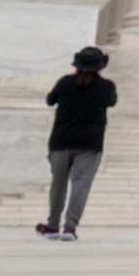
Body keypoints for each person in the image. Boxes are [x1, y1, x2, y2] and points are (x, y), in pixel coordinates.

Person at [39, 46, 115, 241]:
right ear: (100, 66)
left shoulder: (65, 82)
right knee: (81, 185)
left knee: (58, 184)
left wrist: (74, 76)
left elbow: (50, 100)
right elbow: (111, 102)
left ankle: (52, 225)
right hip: (90, 143)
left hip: (61, 141)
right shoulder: (106, 86)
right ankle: (70, 227)